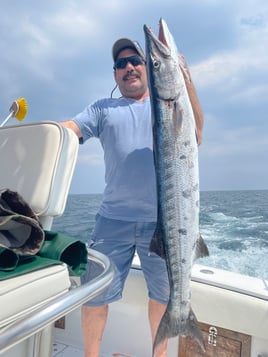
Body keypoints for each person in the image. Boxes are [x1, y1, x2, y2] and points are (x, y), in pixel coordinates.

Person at [60, 38, 203, 357]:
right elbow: (69, 128)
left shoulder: (168, 105)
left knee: (164, 295)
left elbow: (196, 135)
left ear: (148, 70)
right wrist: (41, 133)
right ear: (114, 75)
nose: (129, 67)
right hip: (112, 221)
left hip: (164, 223)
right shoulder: (102, 109)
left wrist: (185, 80)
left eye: (137, 61)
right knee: (94, 293)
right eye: (120, 64)